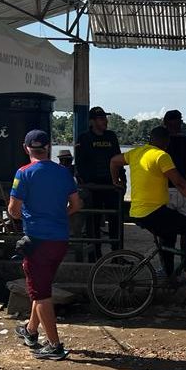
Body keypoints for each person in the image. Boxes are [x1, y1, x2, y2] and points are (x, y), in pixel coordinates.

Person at [8, 129, 82, 360]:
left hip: (37, 241)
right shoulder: (64, 173)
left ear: (26, 148)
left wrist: (31, 218)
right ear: (48, 147)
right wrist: (58, 216)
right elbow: (76, 205)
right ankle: (30, 331)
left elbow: (13, 210)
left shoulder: (23, 173)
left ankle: (55, 345)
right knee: (42, 287)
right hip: (60, 240)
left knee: (40, 295)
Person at [110, 126, 186, 286]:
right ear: (167, 142)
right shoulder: (161, 156)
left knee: (169, 235)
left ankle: (168, 274)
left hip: (137, 212)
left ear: (150, 139)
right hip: (153, 212)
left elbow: (114, 161)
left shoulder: (136, 152)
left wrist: (115, 180)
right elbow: (180, 183)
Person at [74, 106, 122, 257]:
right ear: (92, 122)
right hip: (93, 188)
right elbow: (80, 165)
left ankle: (117, 255)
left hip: (111, 186)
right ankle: (95, 255)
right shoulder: (84, 138)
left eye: (105, 118)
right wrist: (86, 183)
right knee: (93, 223)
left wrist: (123, 180)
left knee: (115, 221)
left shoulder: (111, 137)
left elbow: (119, 160)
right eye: (101, 118)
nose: (105, 121)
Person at [163, 109, 186, 217]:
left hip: (164, 191)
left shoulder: (161, 145)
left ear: (165, 123)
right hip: (185, 190)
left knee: (166, 229)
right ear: (181, 123)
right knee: (185, 226)